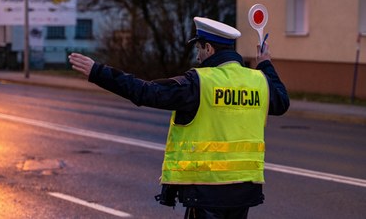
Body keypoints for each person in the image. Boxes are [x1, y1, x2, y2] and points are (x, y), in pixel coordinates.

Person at [69, 17, 289, 219]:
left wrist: (98, 72)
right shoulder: (258, 82)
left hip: (206, 193)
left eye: (199, 48)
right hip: (244, 192)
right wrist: (265, 64)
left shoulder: (199, 82)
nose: (197, 55)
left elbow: (146, 91)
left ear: (209, 48)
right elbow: (282, 101)